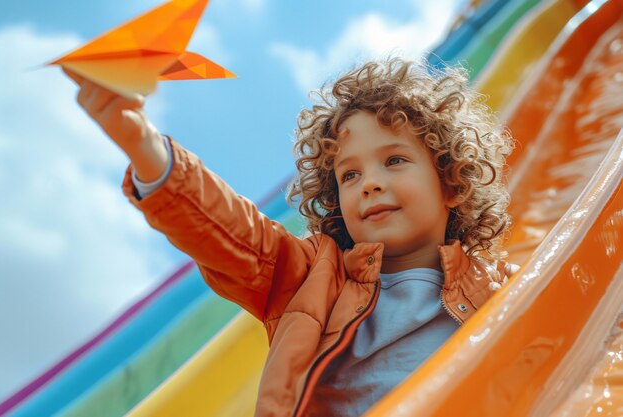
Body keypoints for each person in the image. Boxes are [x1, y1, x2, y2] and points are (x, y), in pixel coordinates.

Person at [64, 57, 518, 417]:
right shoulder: (312, 279)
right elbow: (233, 233)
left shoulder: (502, 289)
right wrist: (147, 150)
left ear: (452, 183)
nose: (370, 183)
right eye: (350, 174)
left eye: (394, 160)